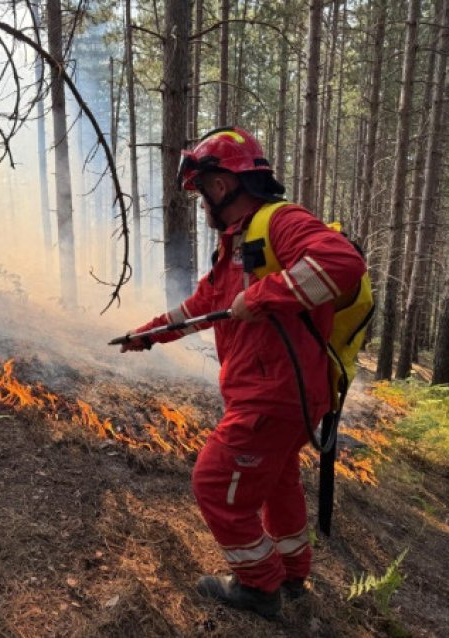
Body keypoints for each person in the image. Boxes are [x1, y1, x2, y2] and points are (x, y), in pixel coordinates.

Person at [120, 127, 367, 618]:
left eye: (201, 190)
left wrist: (259, 296)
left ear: (220, 186)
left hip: (273, 395)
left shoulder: (279, 222)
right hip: (285, 396)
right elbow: (203, 306)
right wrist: (147, 334)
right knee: (277, 483)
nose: (201, 203)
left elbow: (344, 261)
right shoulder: (237, 243)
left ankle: (259, 588)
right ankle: (294, 576)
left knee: (214, 483)